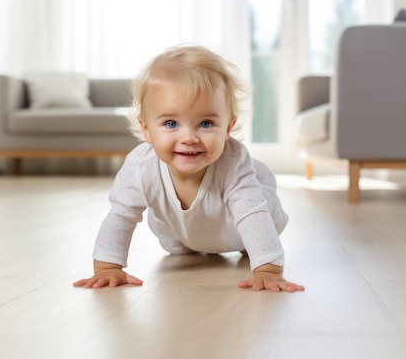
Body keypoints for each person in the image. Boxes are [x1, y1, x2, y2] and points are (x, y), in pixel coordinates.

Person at [73, 45, 304, 292]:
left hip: (240, 228)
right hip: (184, 231)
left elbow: (252, 215)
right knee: (168, 236)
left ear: (228, 128)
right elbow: (121, 215)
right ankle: (191, 241)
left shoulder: (233, 163)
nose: (189, 137)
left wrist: (267, 269)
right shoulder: (141, 167)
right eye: (171, 123)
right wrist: (108, 267)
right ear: (146, 129)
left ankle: (246, 246)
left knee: (257, 225)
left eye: (205, 123)